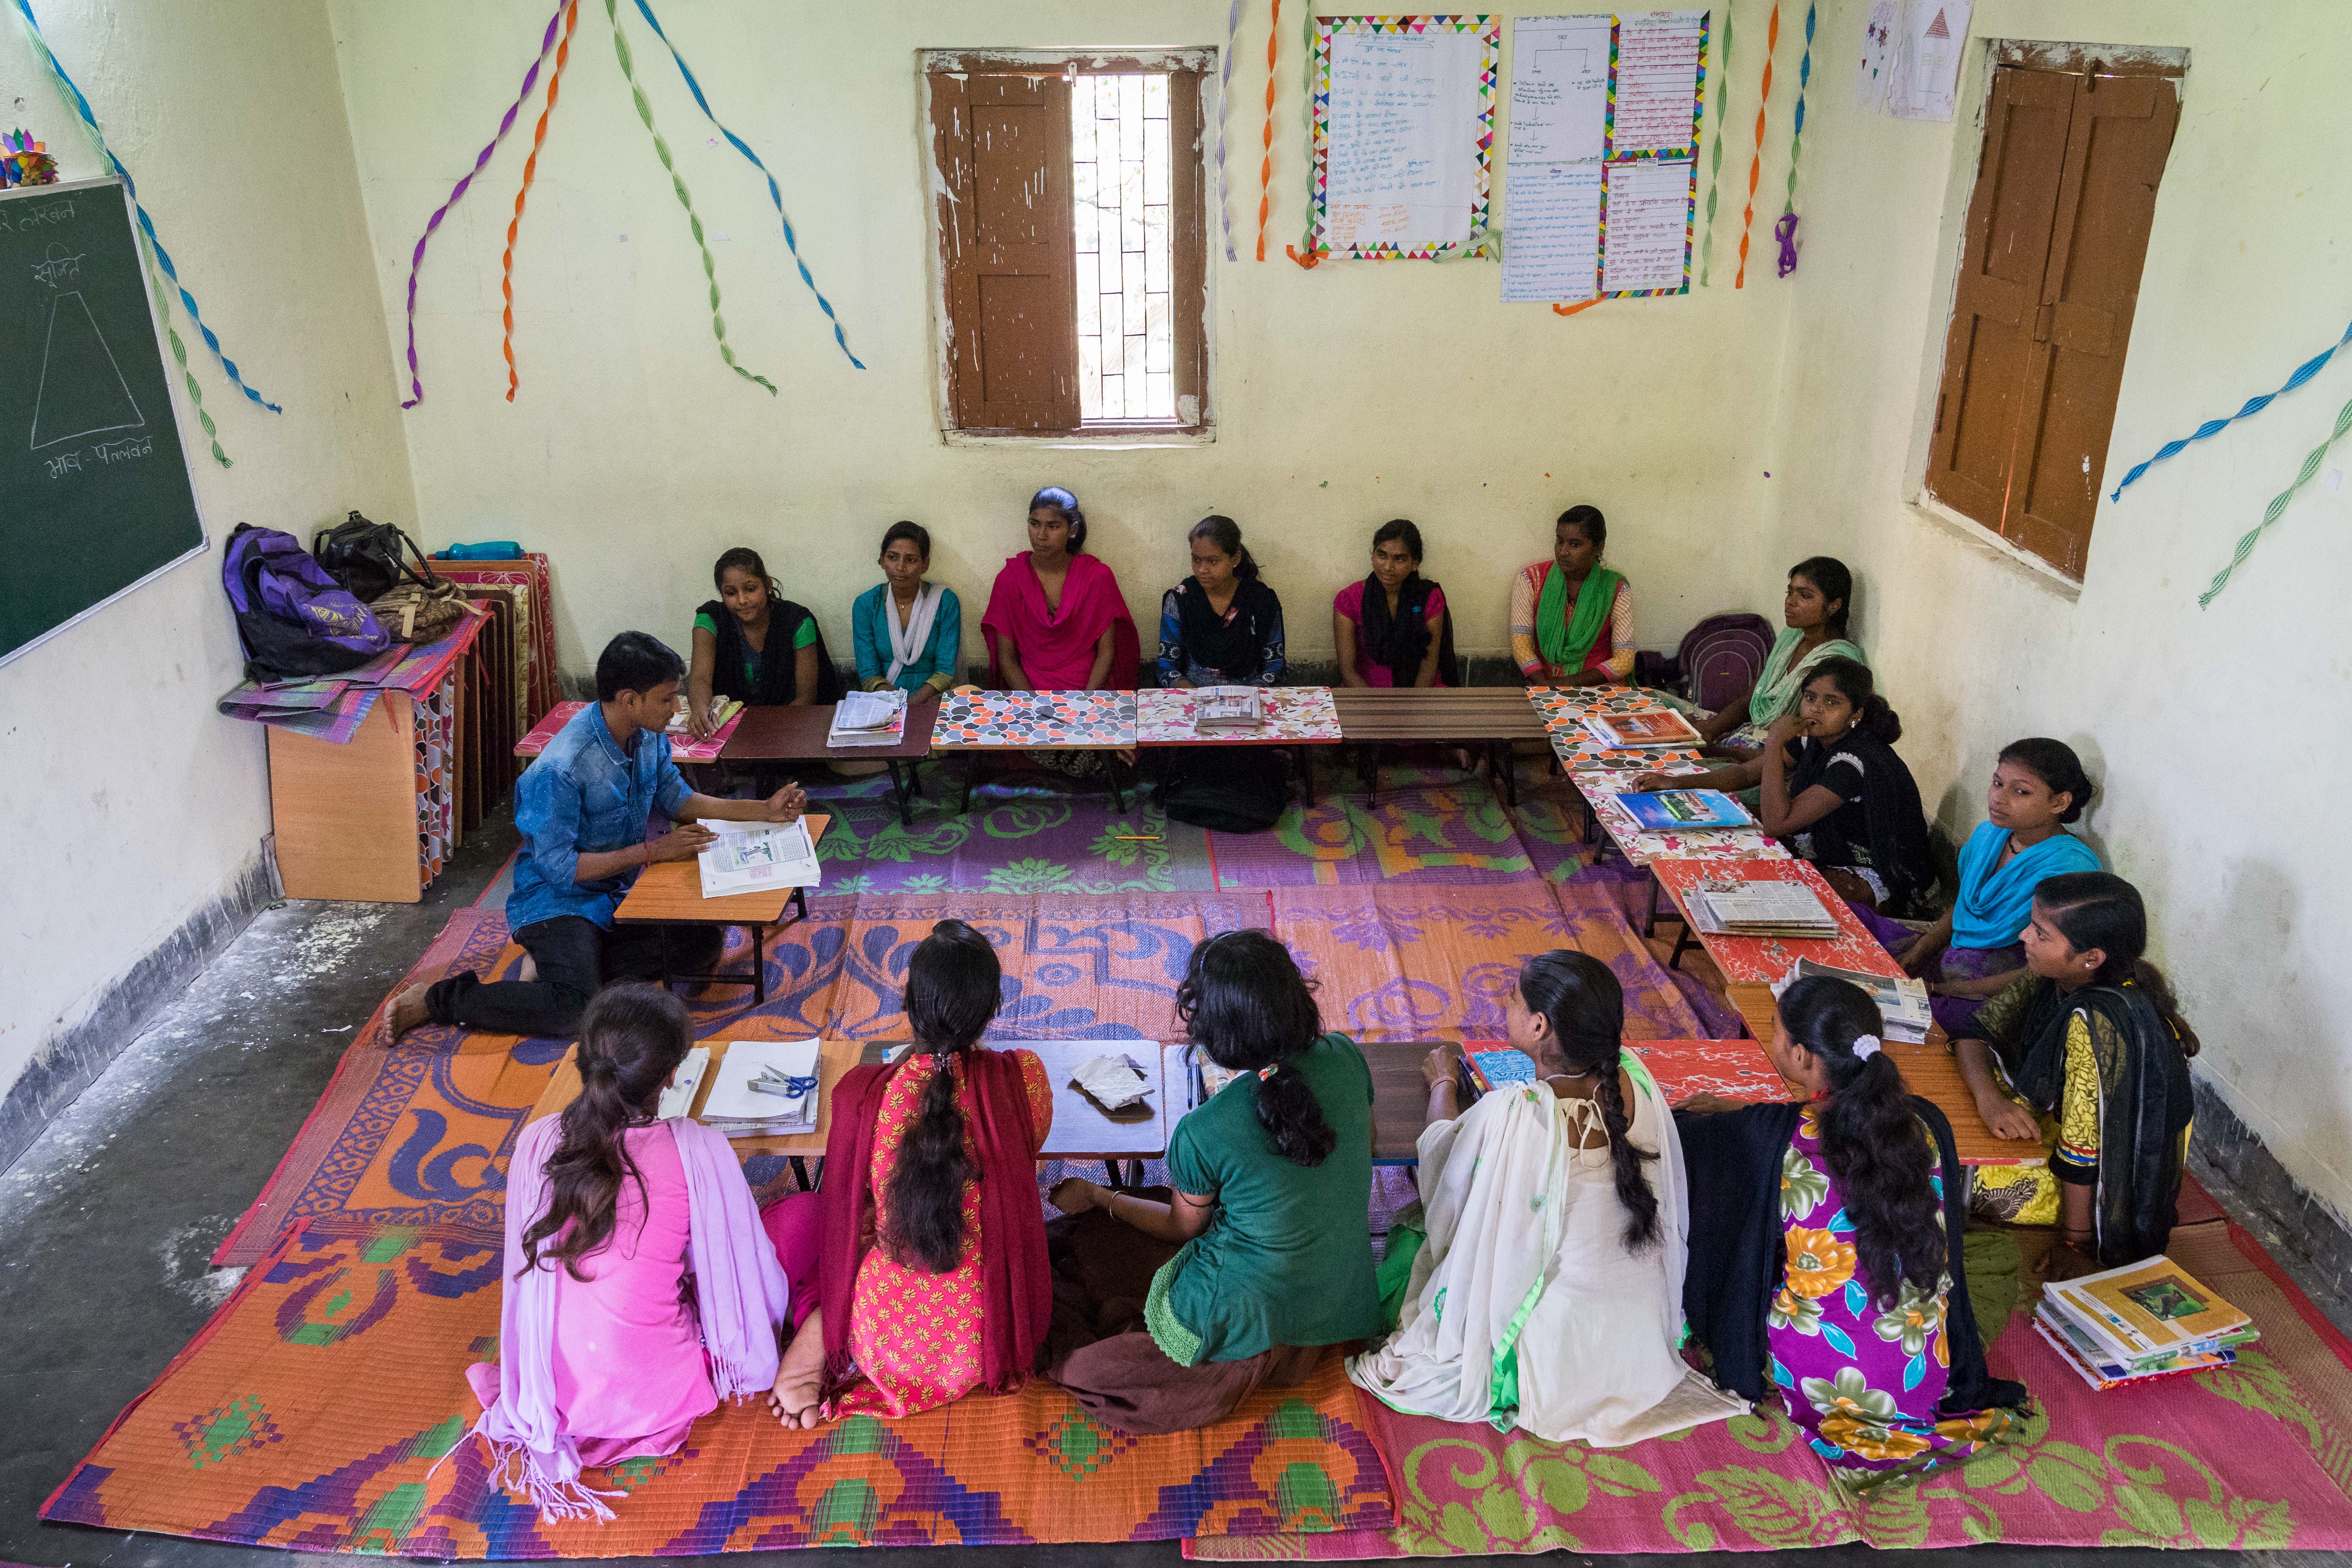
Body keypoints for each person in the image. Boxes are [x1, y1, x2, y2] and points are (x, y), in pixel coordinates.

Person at [1348, 953, 1746, 1443]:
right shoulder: (1635, 1077)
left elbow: (1442, 1164)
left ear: (1538, 1027)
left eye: (1513, 996)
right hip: (1637, 1333)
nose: (1504, 1001)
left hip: (1554, 1345)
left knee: (1412, 1241)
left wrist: (1443, 1081)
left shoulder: (1518, 1113)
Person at [1678, 976, 2029, 1484]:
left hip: (1821, 1369)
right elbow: (1826, 1126)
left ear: (1800, 1057)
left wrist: (1733, 1119)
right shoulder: (1927, 1123)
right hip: (1918, 1370)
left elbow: (1693, 1144)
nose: (1772, 1040)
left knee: (1738, 1253)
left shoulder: (1771, 1140)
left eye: (1775, 1032)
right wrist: (1751, 1118)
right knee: (1992, 1251)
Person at [465, 986, 794, 1522]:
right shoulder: (697, 1146)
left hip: (558, 1393)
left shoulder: (535, 1140)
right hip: (656, 1390)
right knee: (795, 1218)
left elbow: (526, 1274)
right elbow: (746, 1271)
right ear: (670, 1076)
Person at [389, 633, 807, 1040]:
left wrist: (763, 810)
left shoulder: (647, 736)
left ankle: (561, 965)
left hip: (616, 891)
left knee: (701, 944)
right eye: (666, 699)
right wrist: (651, 852)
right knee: (576, 1009)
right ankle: (439, 1000)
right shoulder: (562, 768)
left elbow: (677, 799)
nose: (676, 708)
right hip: (558, 900)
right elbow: (560, 870)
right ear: (629, 700)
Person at [1044, 931, 1383, 1433]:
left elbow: (1184, 1230)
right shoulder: (1344, 1056)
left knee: (1086, 1261)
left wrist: (1100, 1195)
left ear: (1211, 1032)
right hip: (1338, 1300)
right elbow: (1369, 1144)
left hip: (1244, 1313)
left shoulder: (1203, 1130)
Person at [764, 919, 1053, 1425]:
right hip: (991, 1334)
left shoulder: (864, 1094)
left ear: (907, 1004)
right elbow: (1024, 1155)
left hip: (888, 1343)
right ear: (991, 1013)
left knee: (829, 1223)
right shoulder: (1021, 1079)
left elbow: (854, 1210)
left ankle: (816, 1349)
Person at [1951, 873, 2197, 1273]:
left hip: (2098, 1182)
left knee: (1935, 1162)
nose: (2023, 938)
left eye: (2040, 933)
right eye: (2032, 925)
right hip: (2058, 1130)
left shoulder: (2093, 1020)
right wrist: (1990, 1101)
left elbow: (2082, 1150)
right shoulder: (2055, 975)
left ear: (2091, 957)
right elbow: (1974, 1034)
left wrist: (2075, 1242)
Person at [1637, 657, 1933, 914]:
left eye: (1832, 702)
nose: (1816, 709)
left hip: (1882, 868)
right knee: (1732, 837)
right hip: (1834, 845)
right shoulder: (1814, 739)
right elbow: (1744, 775)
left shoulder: (1852, 762)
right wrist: (1675, 783)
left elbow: (1778, 823)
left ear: (1856, 715)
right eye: (1810, 697)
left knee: (1795, 894)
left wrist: (1776, 740)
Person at [1863, 740, 2102, 1038]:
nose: (1999, 798)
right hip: (1951, 960)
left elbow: (2039, 974)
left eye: (2021, 791)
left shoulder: (2071, 869)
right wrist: (1917, 954)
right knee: (1857, 921)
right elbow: (1963, 907)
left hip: (1994, 993)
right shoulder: (1990, 835)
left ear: (2059, 802)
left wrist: (1942, 990)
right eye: (1998, 783)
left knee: (1898, 1016)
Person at [1694, 556, 1867, 755]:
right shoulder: (1791, 637)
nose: (1791, 602)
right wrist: (1709, 731)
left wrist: (1716, 752)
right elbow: (1750, 699)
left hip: (1774, 756)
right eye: (1790, 592)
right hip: (1748, 735)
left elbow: (1806, 748)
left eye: (1805, 596)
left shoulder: (1836, 661)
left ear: (1833, 606)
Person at [980, 486, 1140, 691]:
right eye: (1034, 524)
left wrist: (1086, 702)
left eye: (1053, 526)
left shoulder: (1097, 577)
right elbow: (1007, 659)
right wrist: (1034, 705)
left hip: (1089, 693)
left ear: (1072, 530)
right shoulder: (1010, 579)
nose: (1041, 535)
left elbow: (1106, 654)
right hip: (1030, 697)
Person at [687, 547, 841, 737]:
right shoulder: (710, 620)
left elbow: (806, 698)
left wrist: (765, 734)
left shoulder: (798, 622)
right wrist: (701, 712)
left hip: (790, 728)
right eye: (731, 593)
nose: (742, 600)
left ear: (767, 584)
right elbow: (700, 678)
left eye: (751, 589)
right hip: (730, 732)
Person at [1510, 505, 1634, 686]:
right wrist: (1546, 686)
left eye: (1575, 545)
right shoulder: (1531, 579)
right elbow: (1521, 646)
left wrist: (1562, 685)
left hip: (1600, 691)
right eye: (1560, 542)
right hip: (1542, 687)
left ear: (1599, 547)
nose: (1563, 552)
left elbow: (1625, 660)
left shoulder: (1616, 589)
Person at [1157, 515, 1286, 687]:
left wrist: (1248, 698)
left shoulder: (1260, 600)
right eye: (1196, 560)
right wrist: (1196, 698)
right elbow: (1166, 668)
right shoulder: (1181, 599)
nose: (1202, 570)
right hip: (1192, 701)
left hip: (1251, 699)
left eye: (1213, 561)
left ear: (1235, 558)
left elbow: (1275, 667)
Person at [1332, 519, 1458, 689]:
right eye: (1382, 555)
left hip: (1420, 692)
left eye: (1399, 559)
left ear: (1414, 563)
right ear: (1373, 555)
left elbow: (1428, 668)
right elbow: (1348, 671)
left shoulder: (1429, 598)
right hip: (1364, 692)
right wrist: (1375, 710)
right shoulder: (1349, 600)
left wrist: (1412, 710)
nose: (1388, 567)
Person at [851, 521, 963, 698]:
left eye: (911, 560)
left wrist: (912, 705)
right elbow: (869, 673)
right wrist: (895, 704)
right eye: (892, 557)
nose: (900, 568)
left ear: (925, 564)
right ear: (882, 560)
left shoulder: (945, 602)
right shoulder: (866, 605)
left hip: (933, 699)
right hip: (884, 701)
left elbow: (945, 670)